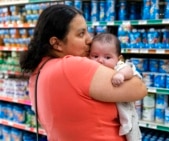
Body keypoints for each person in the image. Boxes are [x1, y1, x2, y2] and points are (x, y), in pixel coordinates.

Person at [19, 4, 147, 141]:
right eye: (81, 34)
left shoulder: (38, 72)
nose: (90, 39)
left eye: (87, 31)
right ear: (56, 44)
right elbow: (139, 89)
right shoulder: (71, 66)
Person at [89, 33, 142, 141]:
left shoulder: (119, 66)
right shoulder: (91, 67)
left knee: (132, 134)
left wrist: (121, 74)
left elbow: (129, 70)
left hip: (126, 111)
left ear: (119, 59)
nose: (100, 60)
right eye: (95, 56)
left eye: (107, 57)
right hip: (107, 118)